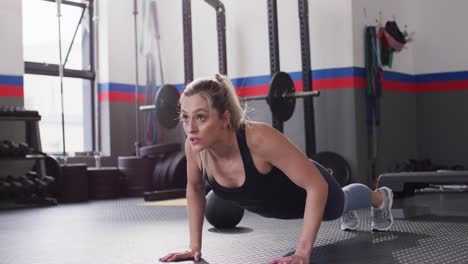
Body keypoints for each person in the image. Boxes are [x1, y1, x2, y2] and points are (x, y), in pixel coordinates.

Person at [159, 74, 394, 264]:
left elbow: (316, 185)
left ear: (224, 118)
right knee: (338, 206)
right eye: (185, 117)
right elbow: (195, 188)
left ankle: (380, 198)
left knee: (338, 204)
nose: (190, 129)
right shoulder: (196, 148)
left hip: (311, 190)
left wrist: (302, 253)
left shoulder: (257, 138)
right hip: (282, 205)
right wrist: (194, 248)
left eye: (200, 117)